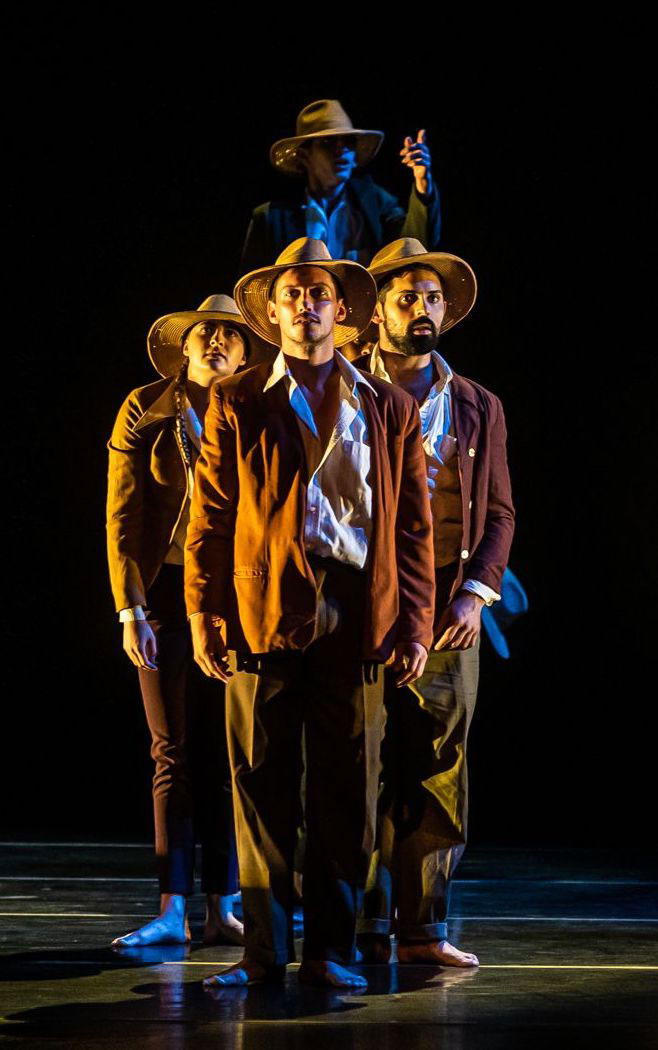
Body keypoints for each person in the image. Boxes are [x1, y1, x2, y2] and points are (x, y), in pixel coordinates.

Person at [185, 238, 435, 989]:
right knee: (259, 781)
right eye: (291, 294)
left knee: (347, 788)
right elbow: (210, 519)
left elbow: (416, 526)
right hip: (264, 607)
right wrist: (204, 615)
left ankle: (332, 950)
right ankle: (263, 954)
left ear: (341, 308)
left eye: (317, 293)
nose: (305, 305)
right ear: (270, 310)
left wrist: (416, 622)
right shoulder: (238, 399)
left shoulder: (386, 405)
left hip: (357, 609)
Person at [357, 238, 515, 967]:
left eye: (432, 297)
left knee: (440, 765)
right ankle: (356, 922)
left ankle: (422, 928)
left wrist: (476, 595)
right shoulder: (348, 389)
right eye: (407, 297)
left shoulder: (478, 404)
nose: (422, 309)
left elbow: (500, 514)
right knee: (354, 765)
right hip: (363, 608)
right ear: (380, 310)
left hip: (451, 613)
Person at [107, 295, 268, 948]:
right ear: (185, 345)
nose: (216, 345)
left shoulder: (259, 406)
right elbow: (122, 514)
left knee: (229, 752)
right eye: (206, 334)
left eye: (230, 336)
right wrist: (130, 608)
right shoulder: (145, 407)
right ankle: (172, 907)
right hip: (164, 593)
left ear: (246, 350)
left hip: (235, 595)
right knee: (171, 749)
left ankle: (222, 904)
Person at [241, 99, 441, 271]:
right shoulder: (271, 219)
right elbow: (251, 290)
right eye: (328, 142)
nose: (341, 150)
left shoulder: (375, 202)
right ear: (304, 155)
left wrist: (422, 182)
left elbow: (415, 248)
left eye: (348, 142)